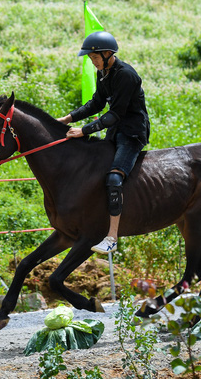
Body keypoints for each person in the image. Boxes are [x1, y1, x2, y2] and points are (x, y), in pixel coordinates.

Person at [57, 31, 150, 254]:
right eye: (90, 59)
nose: (93, 61)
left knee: (114, 178)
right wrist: (67, 119)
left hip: (131, 134)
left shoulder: (126, 75)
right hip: (116, 132)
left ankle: (112, 237)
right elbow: (96, 104)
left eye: (95, 57)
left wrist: (84, 131)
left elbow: (115, 114)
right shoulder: (104, 73)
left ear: (108, 53)